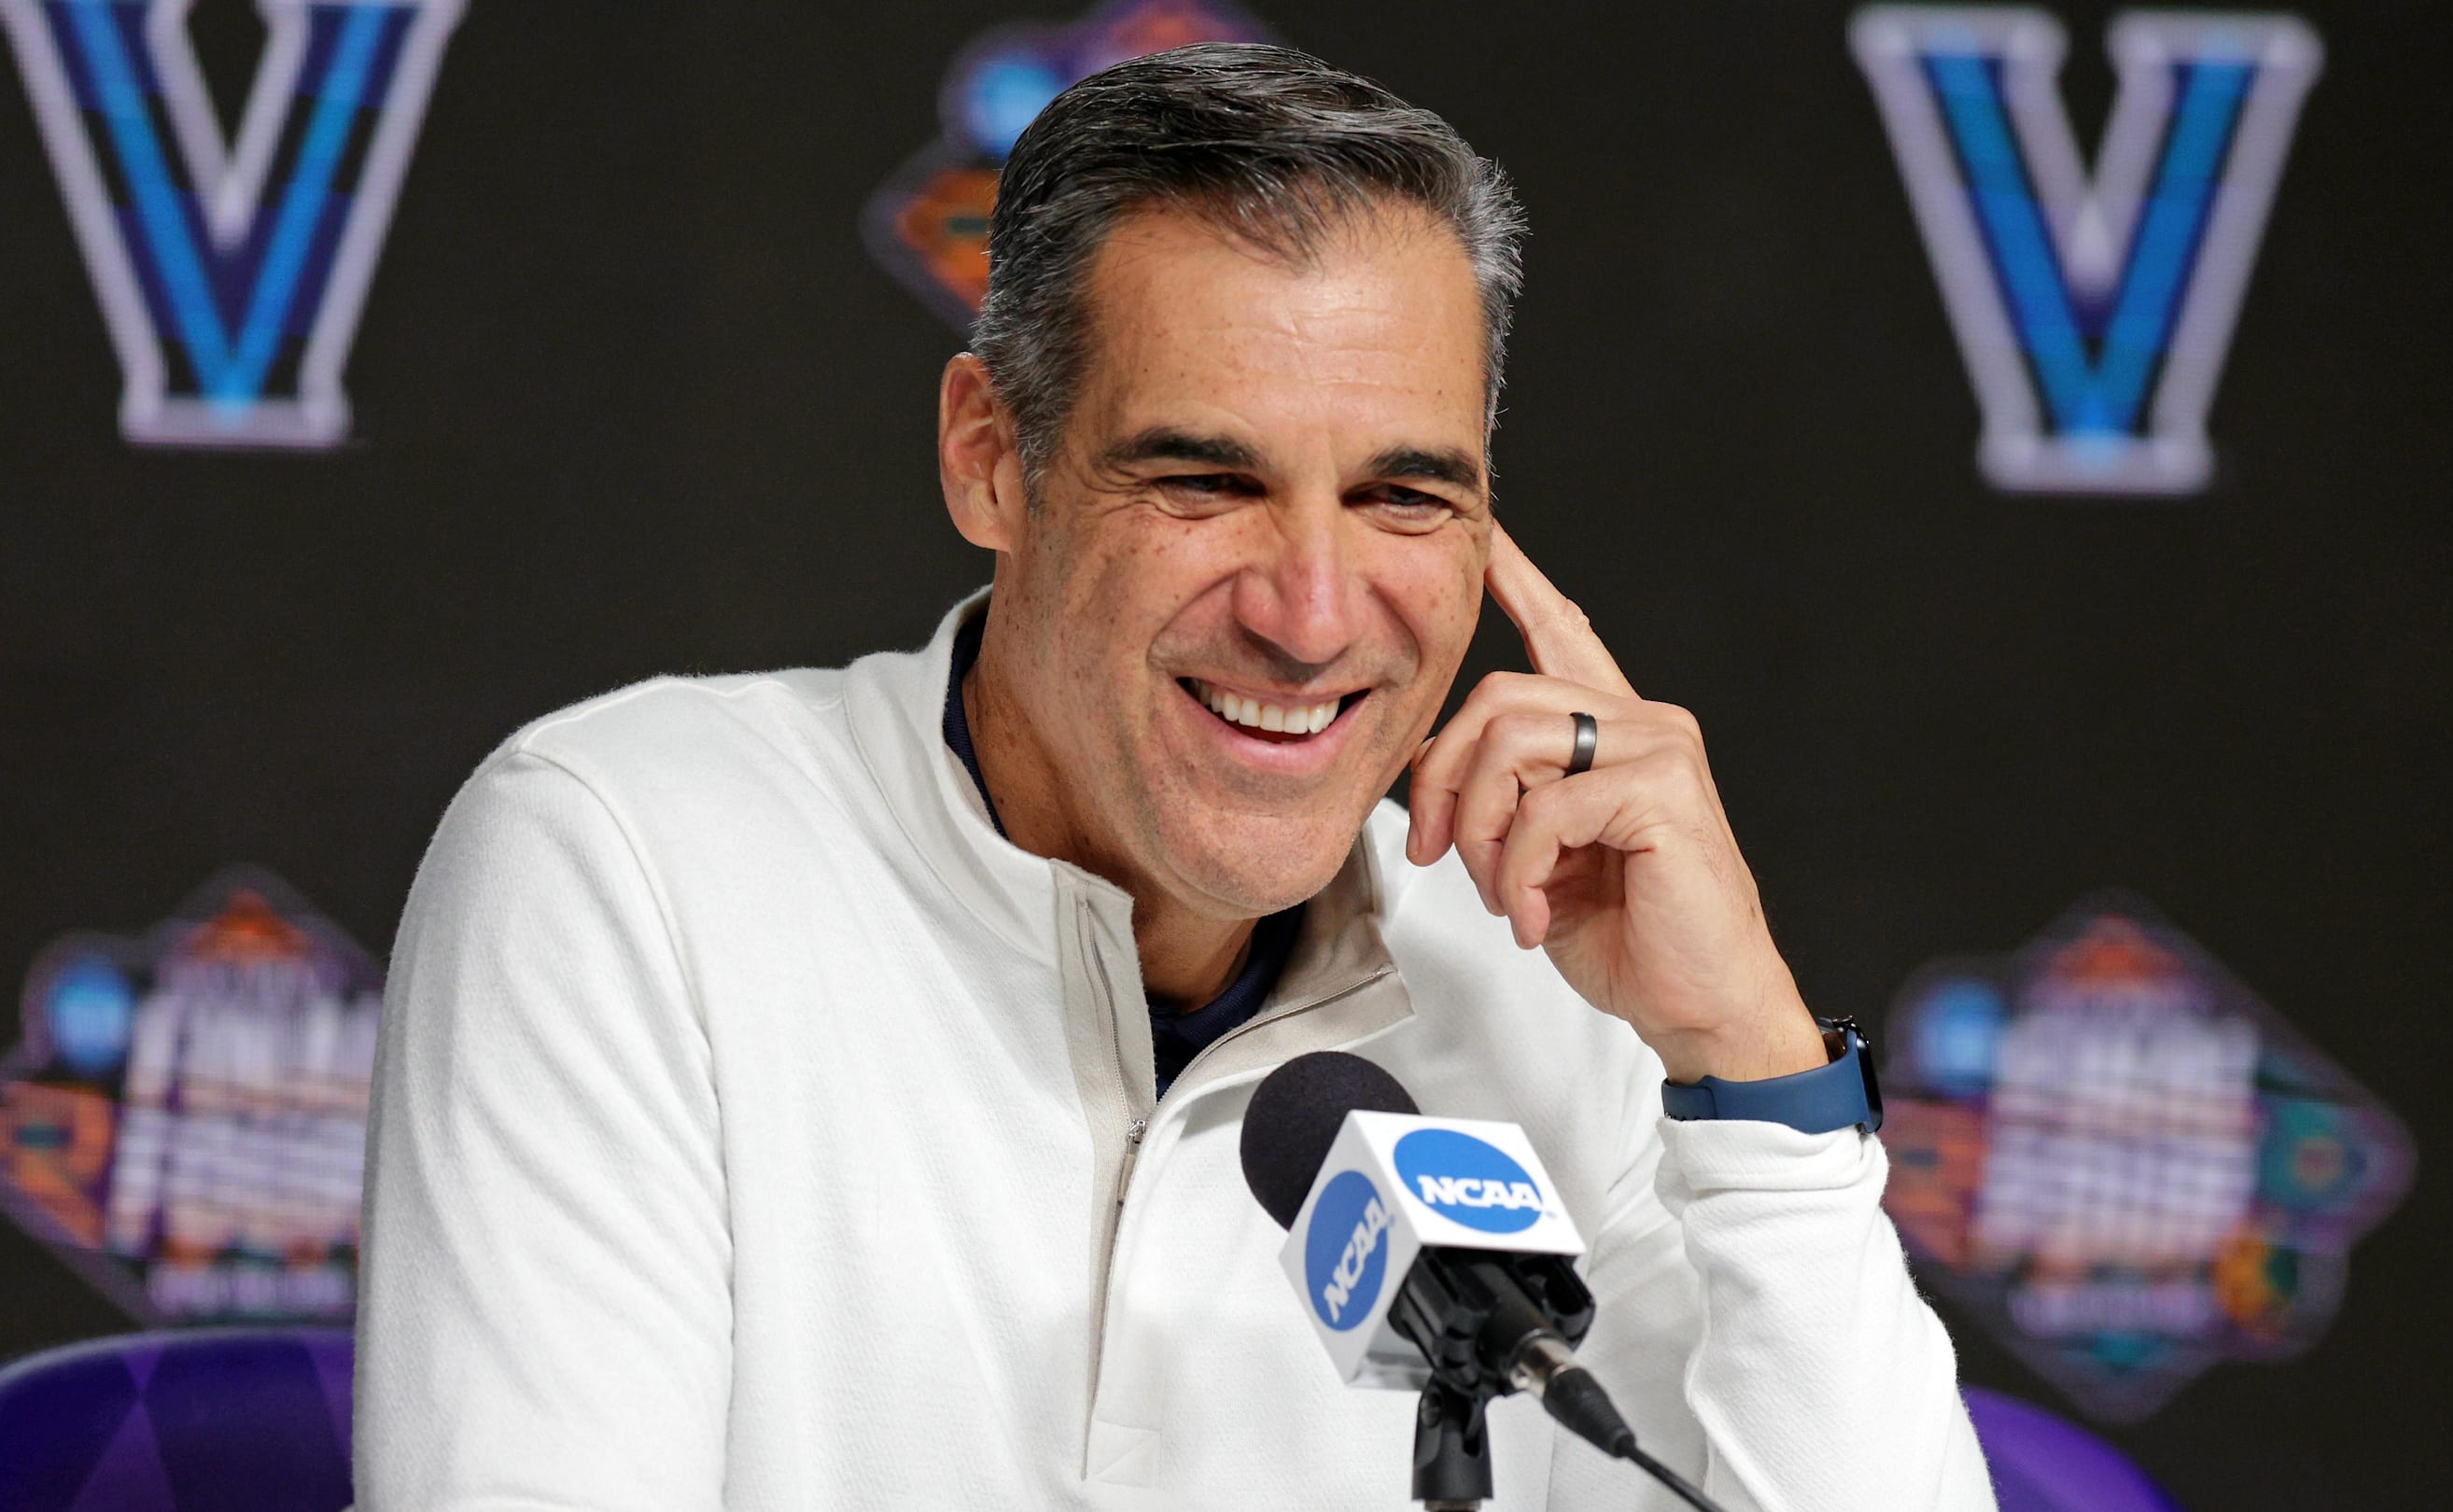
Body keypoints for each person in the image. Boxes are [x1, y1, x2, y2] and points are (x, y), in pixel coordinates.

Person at [356, 44, 1994, 1512]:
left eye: (1404, 498)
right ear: (991, 457)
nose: (1310, 613)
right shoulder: (628, 859)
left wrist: (1755, 1077)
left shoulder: (1541, 945)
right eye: (1205, 481)